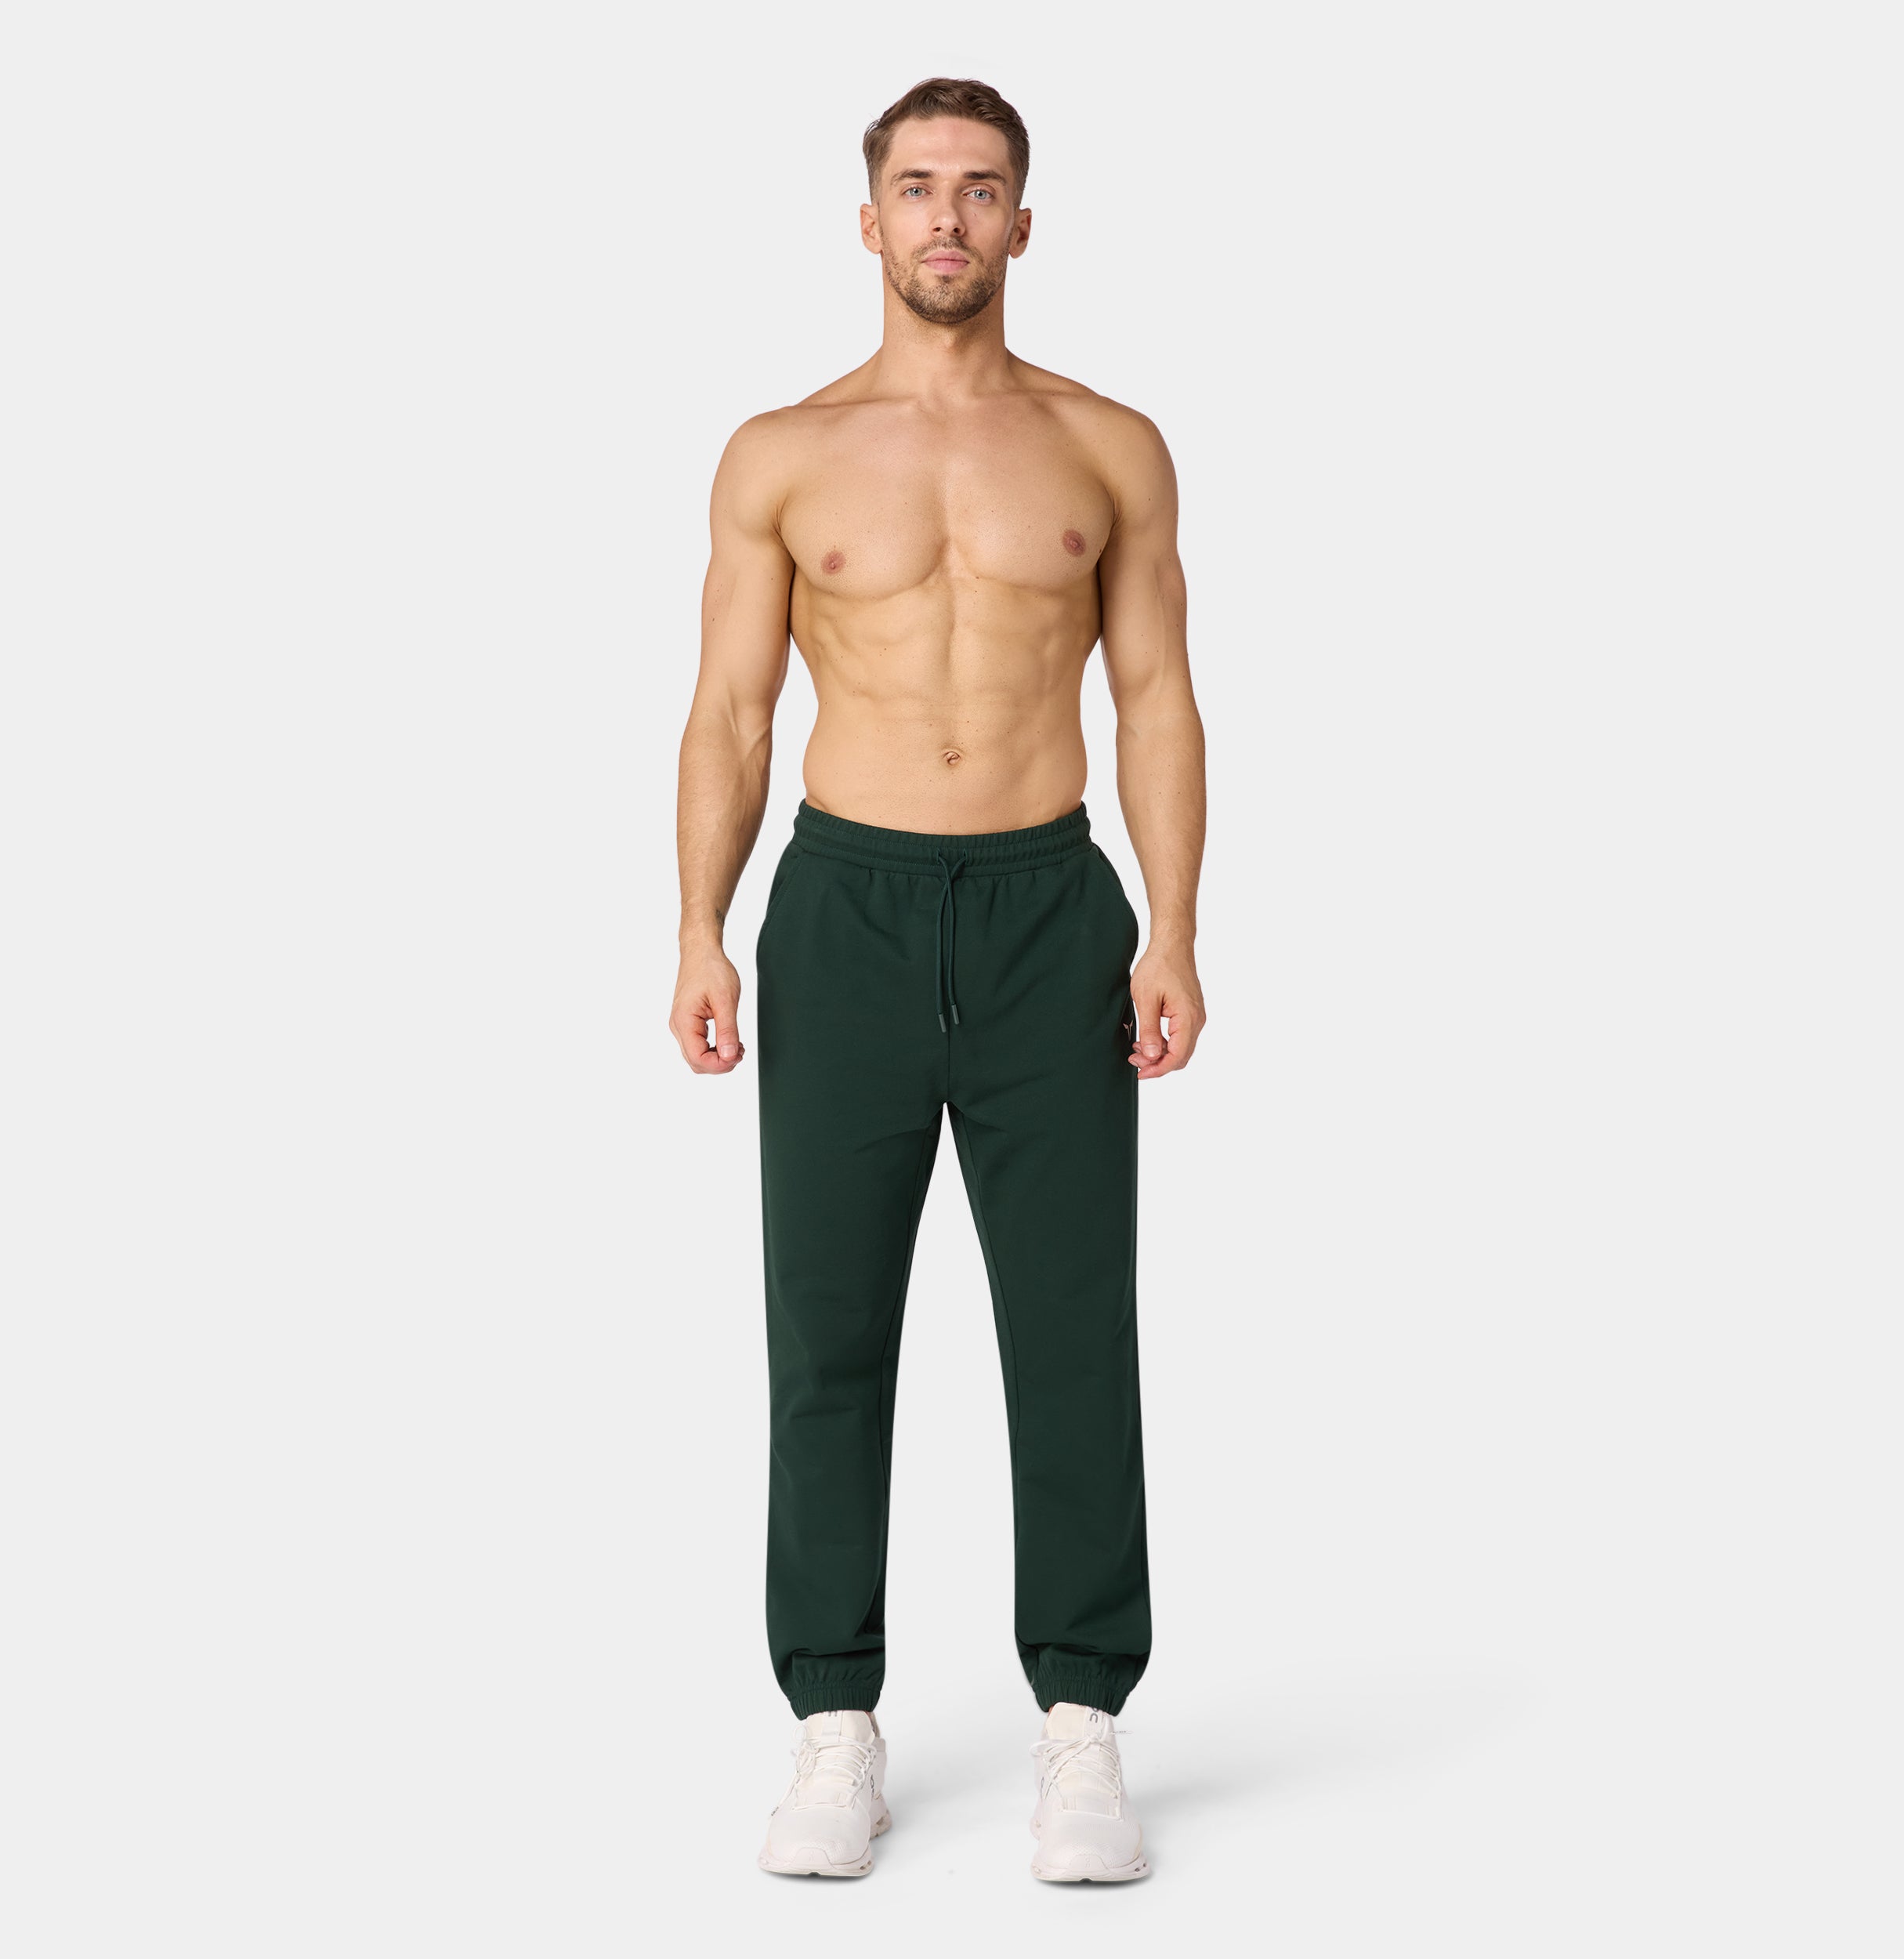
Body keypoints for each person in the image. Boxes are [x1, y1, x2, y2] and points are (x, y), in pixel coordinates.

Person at [670, 76, 1206, 1883]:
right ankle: (834, 1721)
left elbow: (1155, 695)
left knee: (1070, 1319)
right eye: (916, 188)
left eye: (979, 189)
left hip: (1052, 902)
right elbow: (731, 707)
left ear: (1022, 223)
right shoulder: (781, 453)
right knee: (826, 1325)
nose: (947, 218)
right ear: (868, 221)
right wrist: (697, 926)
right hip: (847, 905)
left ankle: (1081, 1721)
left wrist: (1171, 926)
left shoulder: (1106, 447)